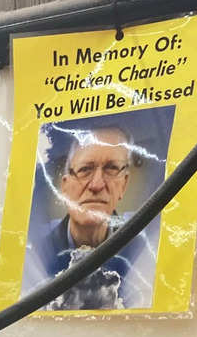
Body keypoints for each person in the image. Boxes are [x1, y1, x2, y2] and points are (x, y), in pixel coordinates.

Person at [23, 125, 154, 310]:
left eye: (111, 168)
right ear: (65, 187)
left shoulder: (142, 255)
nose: (97, 184)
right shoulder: (35, 254)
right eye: (85, 169)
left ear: (123, 185)